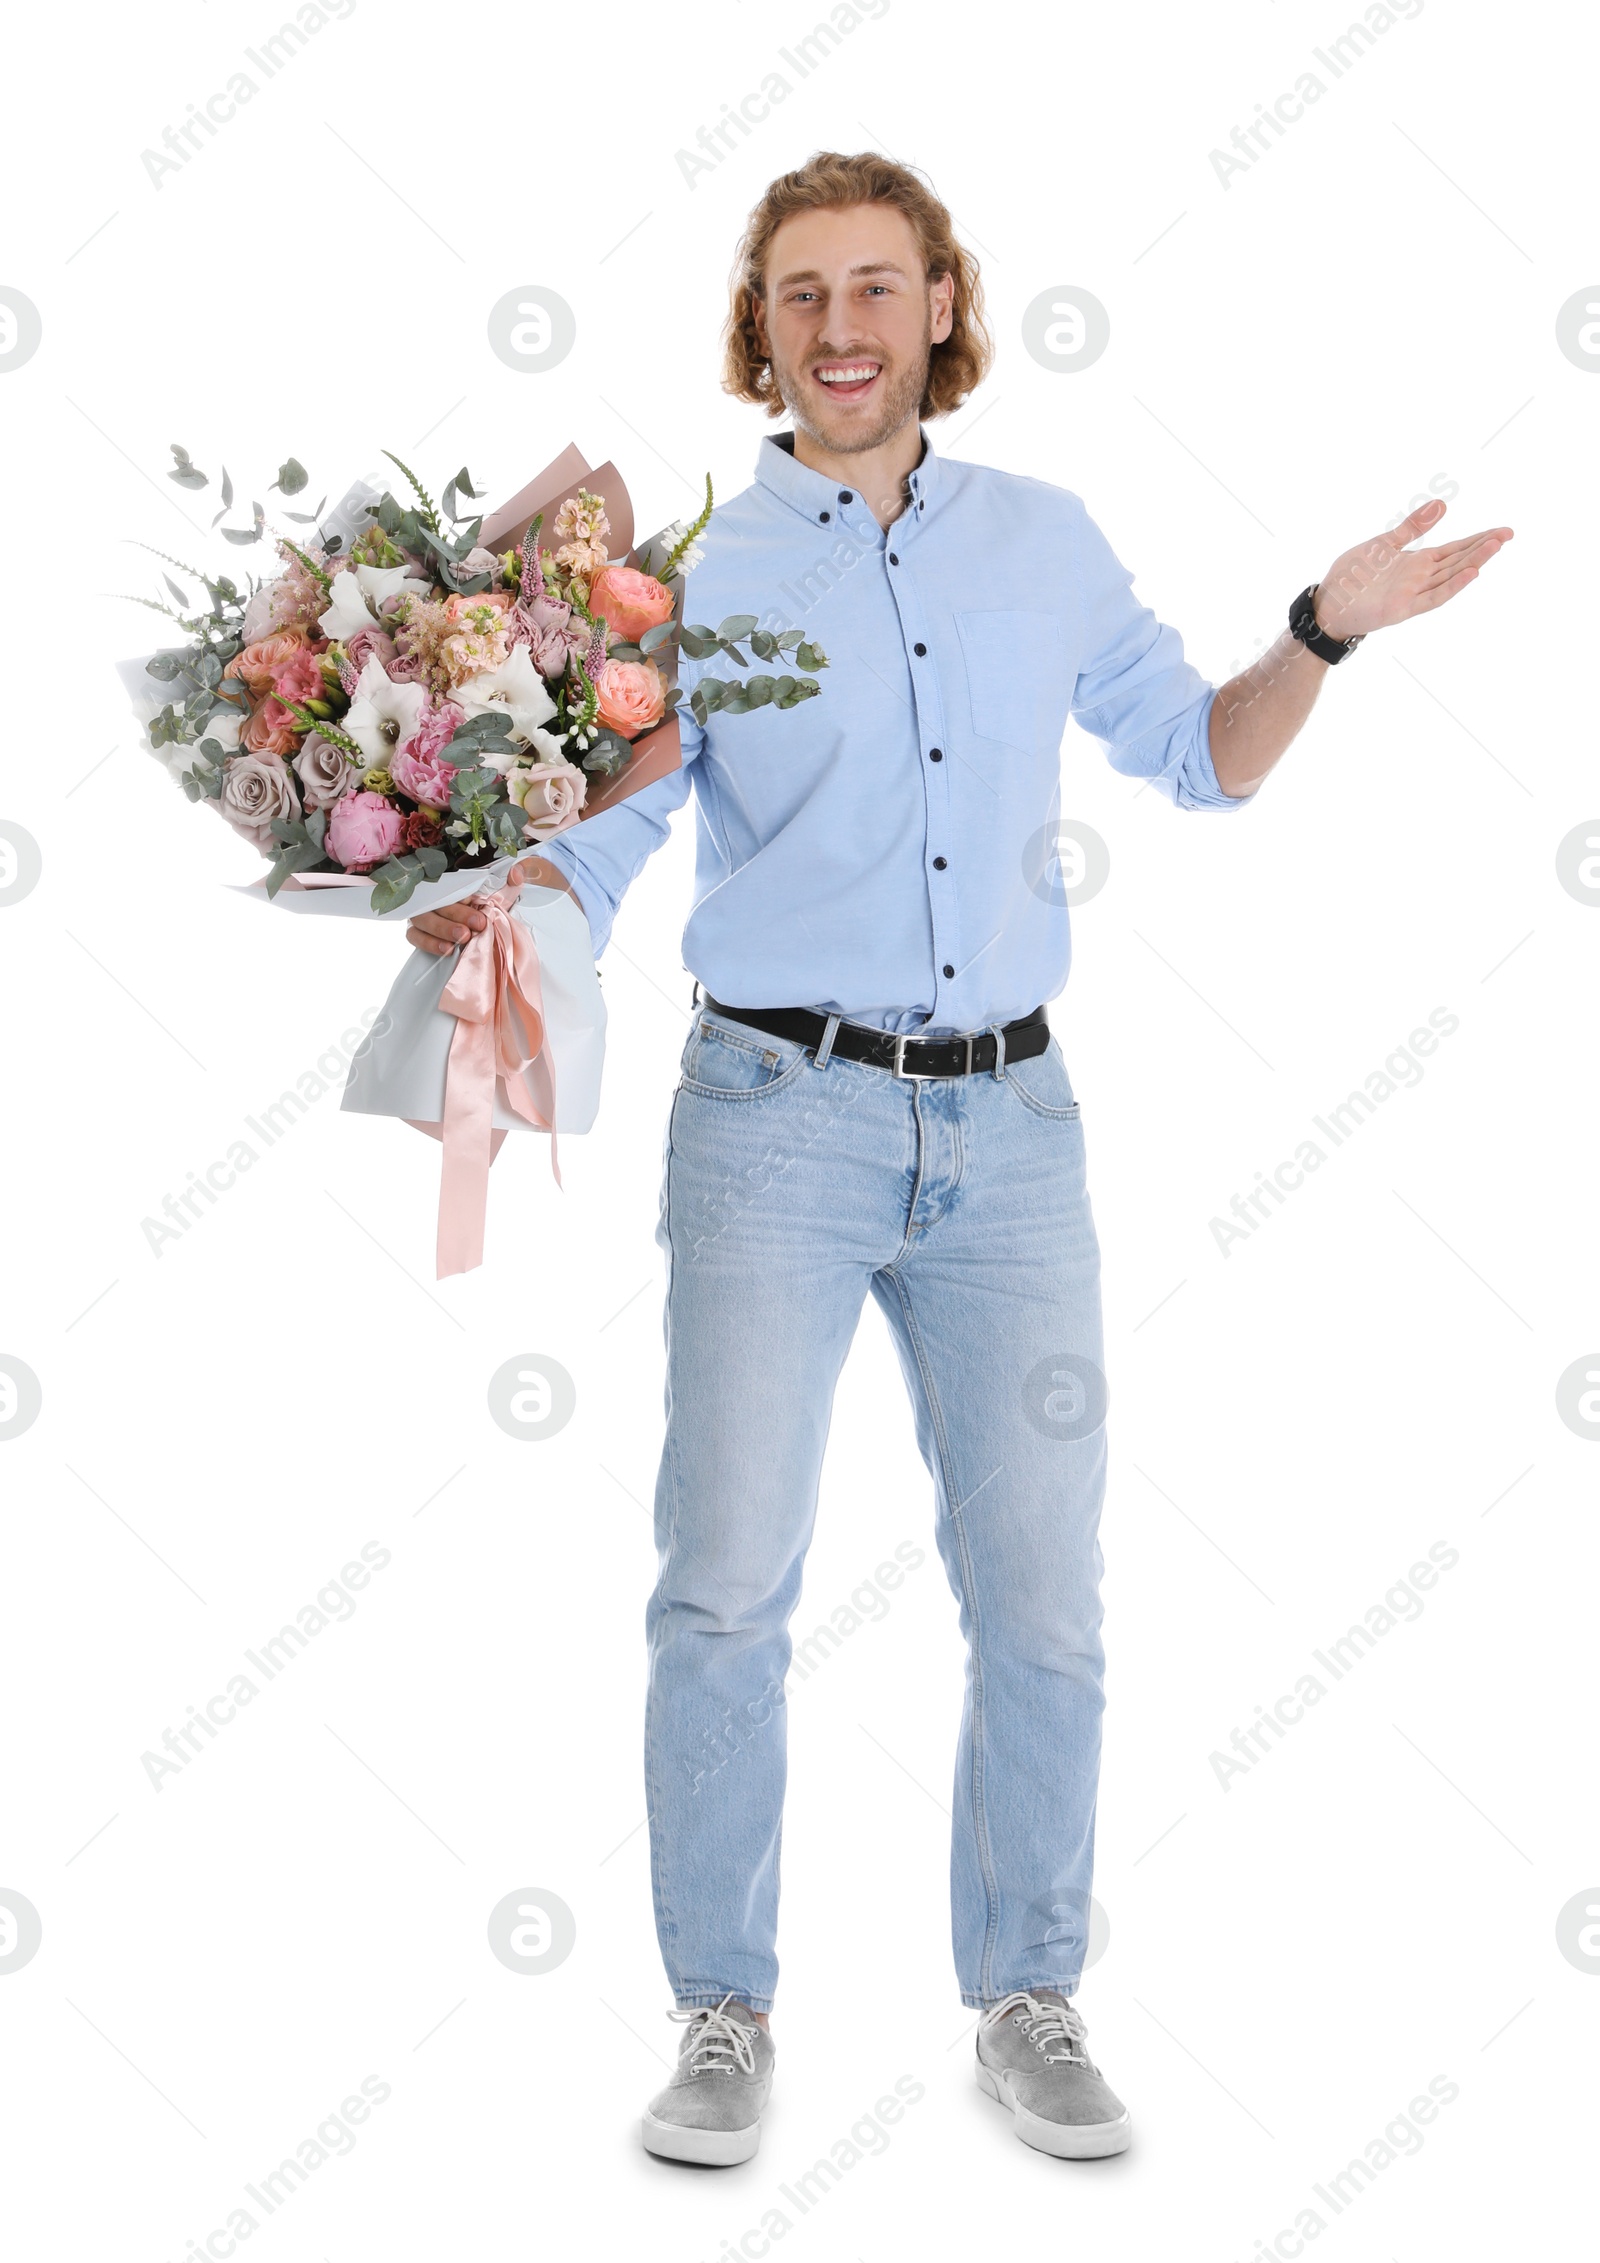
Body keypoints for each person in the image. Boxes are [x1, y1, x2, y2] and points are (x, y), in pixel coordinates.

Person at [407, 151, 1512, 2165]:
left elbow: (1199, 754)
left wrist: (1324, 632)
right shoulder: (692, 580)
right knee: (724, 1589)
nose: (839, 327)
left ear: (938, 309)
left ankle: (1024, 1994)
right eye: (802, 293)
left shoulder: (1044, 544)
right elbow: (616, 832)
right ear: (765, 329)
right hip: (773, 1122)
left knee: (1045, 1598)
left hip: (1009, 1131)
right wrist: (480, 890)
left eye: (875, 288)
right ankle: (721, 2013)